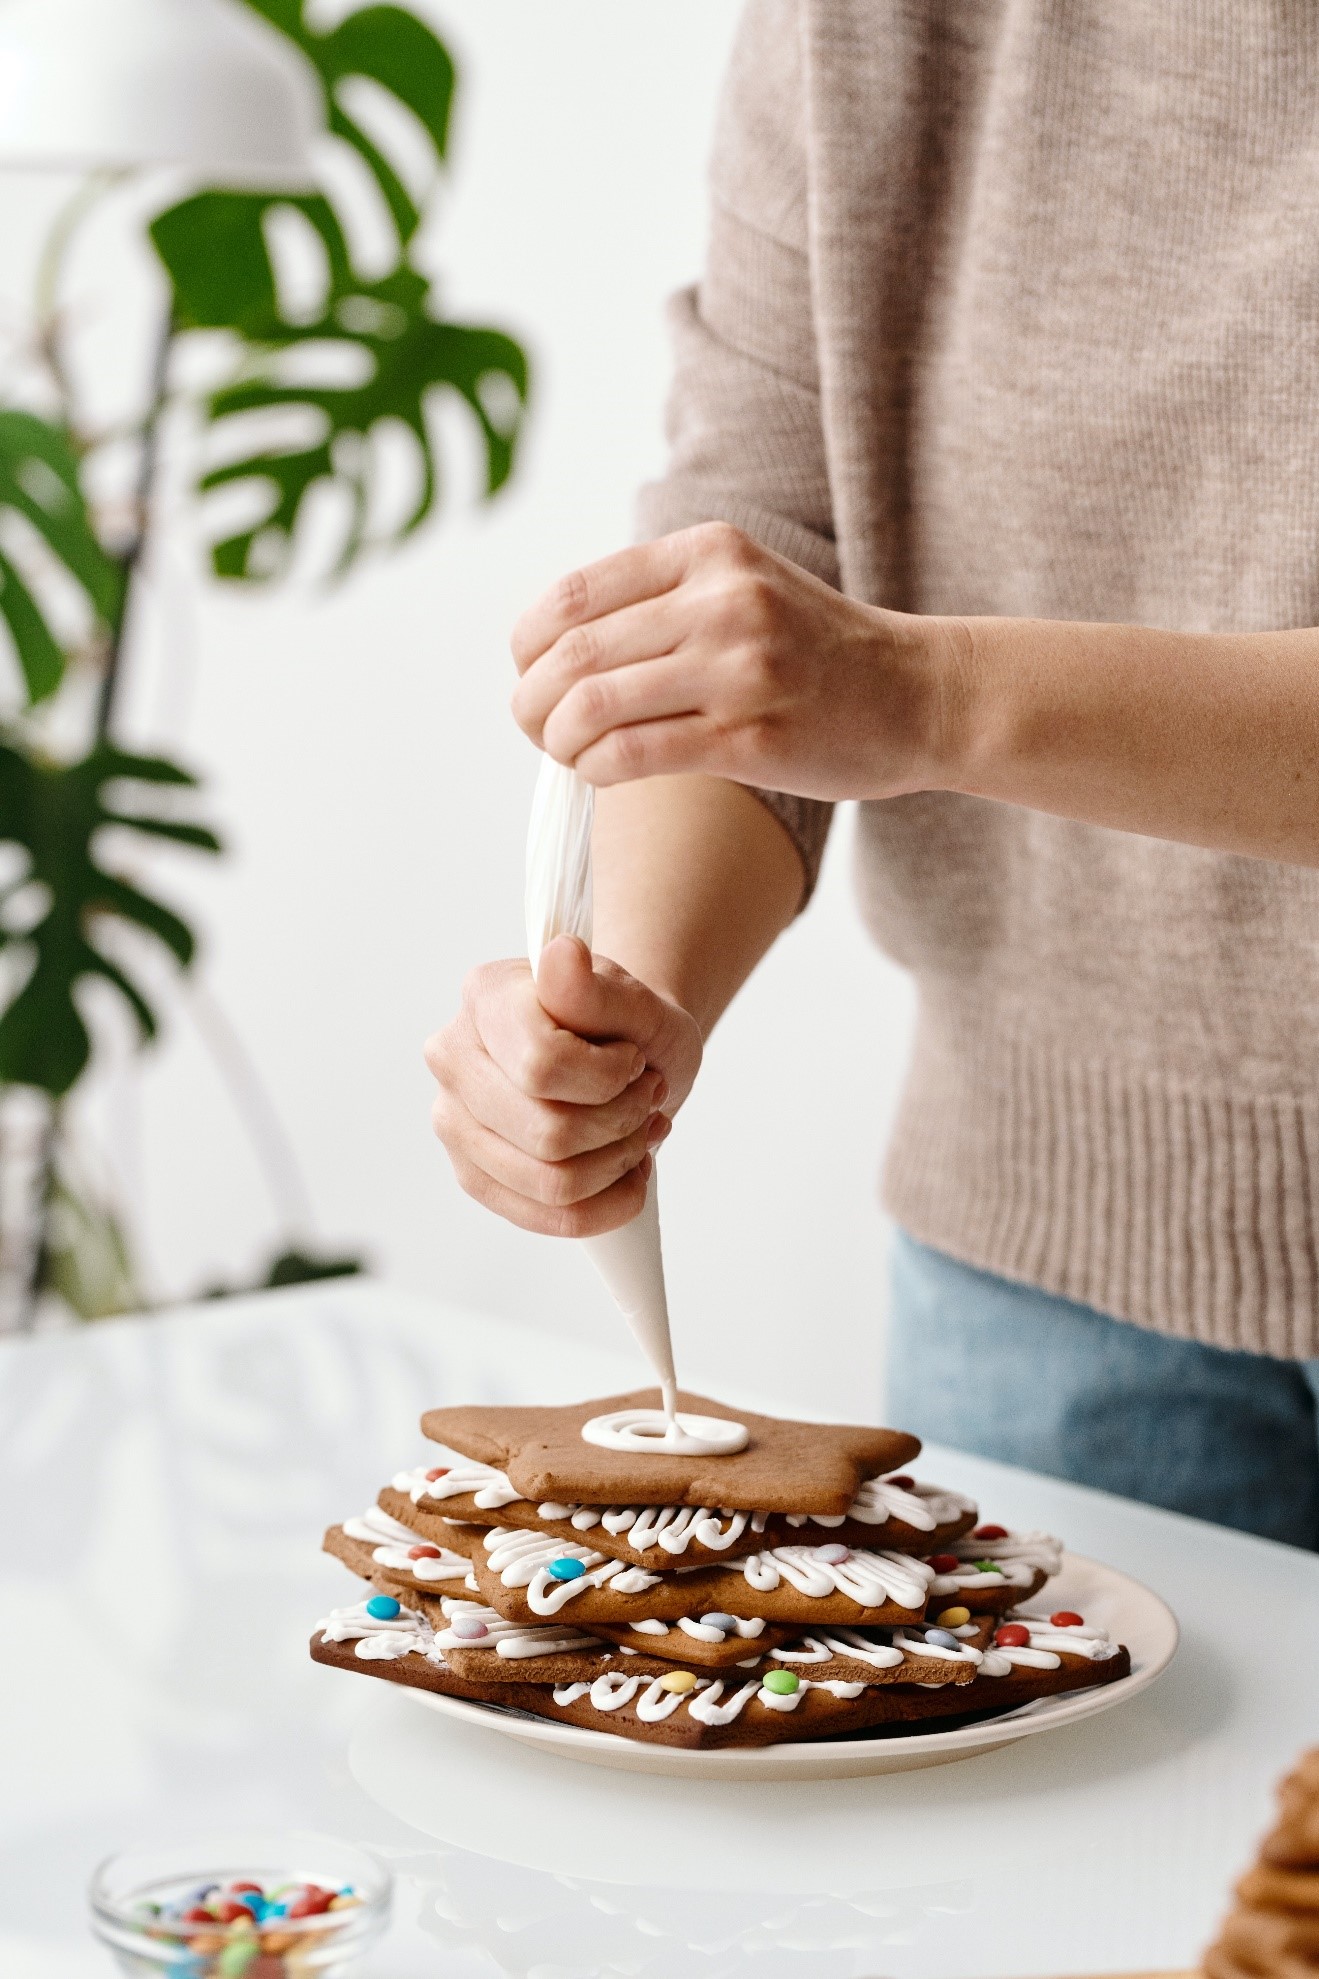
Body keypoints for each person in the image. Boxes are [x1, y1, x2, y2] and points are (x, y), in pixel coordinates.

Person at [425, 1, 1319, 1549]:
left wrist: (921, 693)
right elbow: (762, 561)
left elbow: (851, 674)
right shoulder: (863, 29)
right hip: (1040, 1269)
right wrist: (631, 1017)